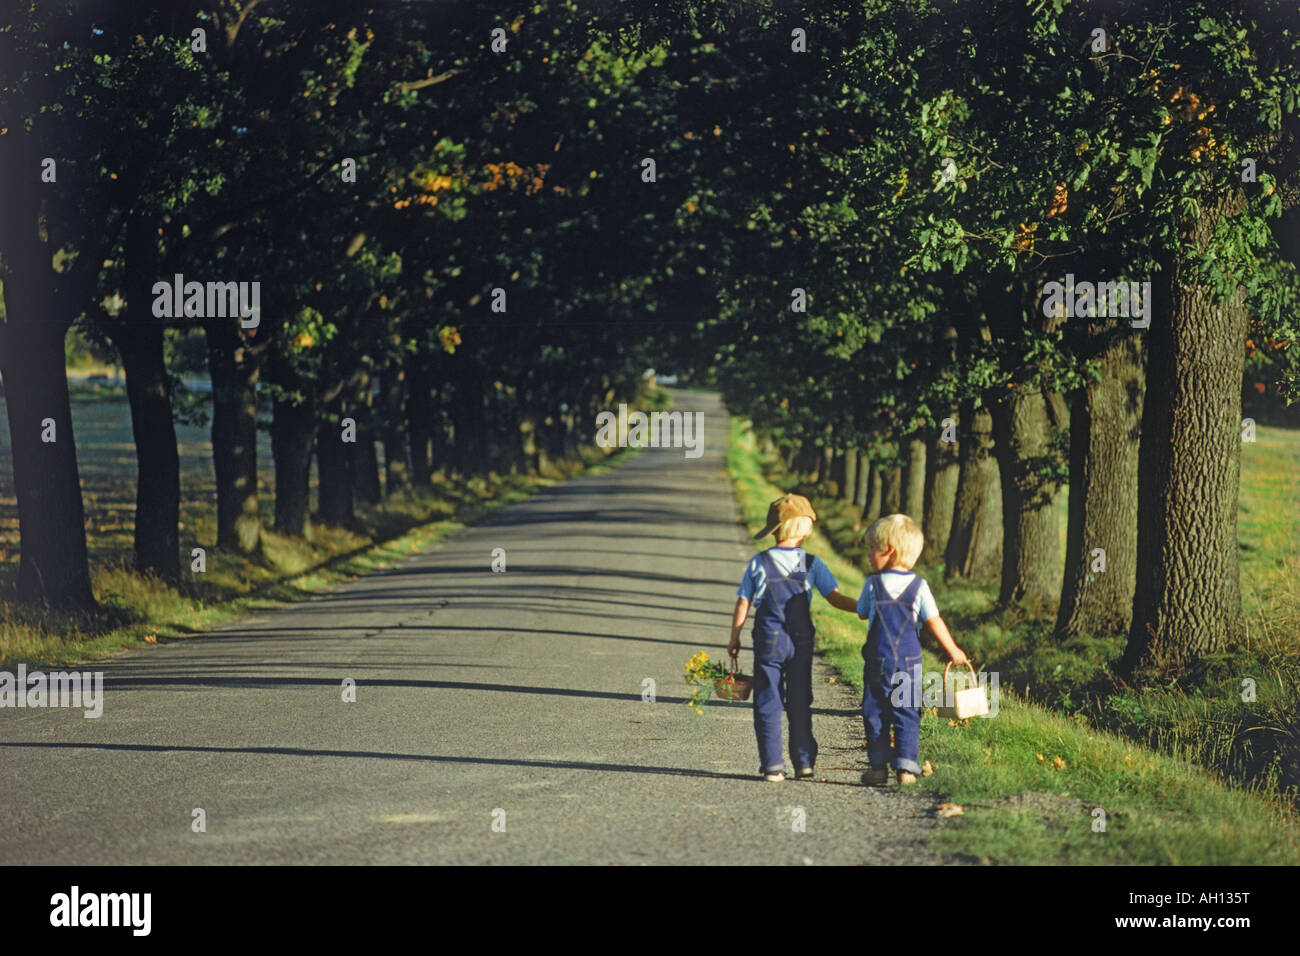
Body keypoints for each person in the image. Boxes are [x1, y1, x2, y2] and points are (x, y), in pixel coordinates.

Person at [728, 493, 859, 782]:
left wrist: (734, 638)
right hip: (800, 642)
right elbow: (835, 599)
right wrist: (862, 609)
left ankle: (773, 766)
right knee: (799, 700)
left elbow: (743, 603)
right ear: (803, 527)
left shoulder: (760, 561)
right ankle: (803, 763)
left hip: (769, 640)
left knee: (768, 699)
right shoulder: (808, 564)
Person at [856, 513, 968, 786]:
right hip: (909, 662)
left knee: (875, 712)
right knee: (906, 710)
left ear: (890, 551)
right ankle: (906, 768)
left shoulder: (872, 585)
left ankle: (878, 767)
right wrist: (953, 650)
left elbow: (861, 613)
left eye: (872, 548)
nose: (869, 554)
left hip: (877, 661)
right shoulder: (920, 587)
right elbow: (934, 621)